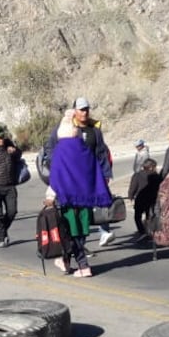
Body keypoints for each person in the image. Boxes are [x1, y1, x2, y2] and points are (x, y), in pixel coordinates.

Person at [47, 109, 114, 277]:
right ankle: (65, 261)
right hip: (85, 200)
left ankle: (83, 266)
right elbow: (94, 171)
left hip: (68, 201)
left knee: (70, 233)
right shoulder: (84, 150)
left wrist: (50, 196)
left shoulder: (61, 151)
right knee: (81, 231)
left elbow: (56, 176)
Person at [128, 158, 161, 241]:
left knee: (137, 216)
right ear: (151, 167)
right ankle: (149, 231)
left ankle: (141, 231)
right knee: (149, 216)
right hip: (152, 199)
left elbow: (133, 187)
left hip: (140, 198)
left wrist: (130, 196)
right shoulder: (156, 176)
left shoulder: (137, 175)